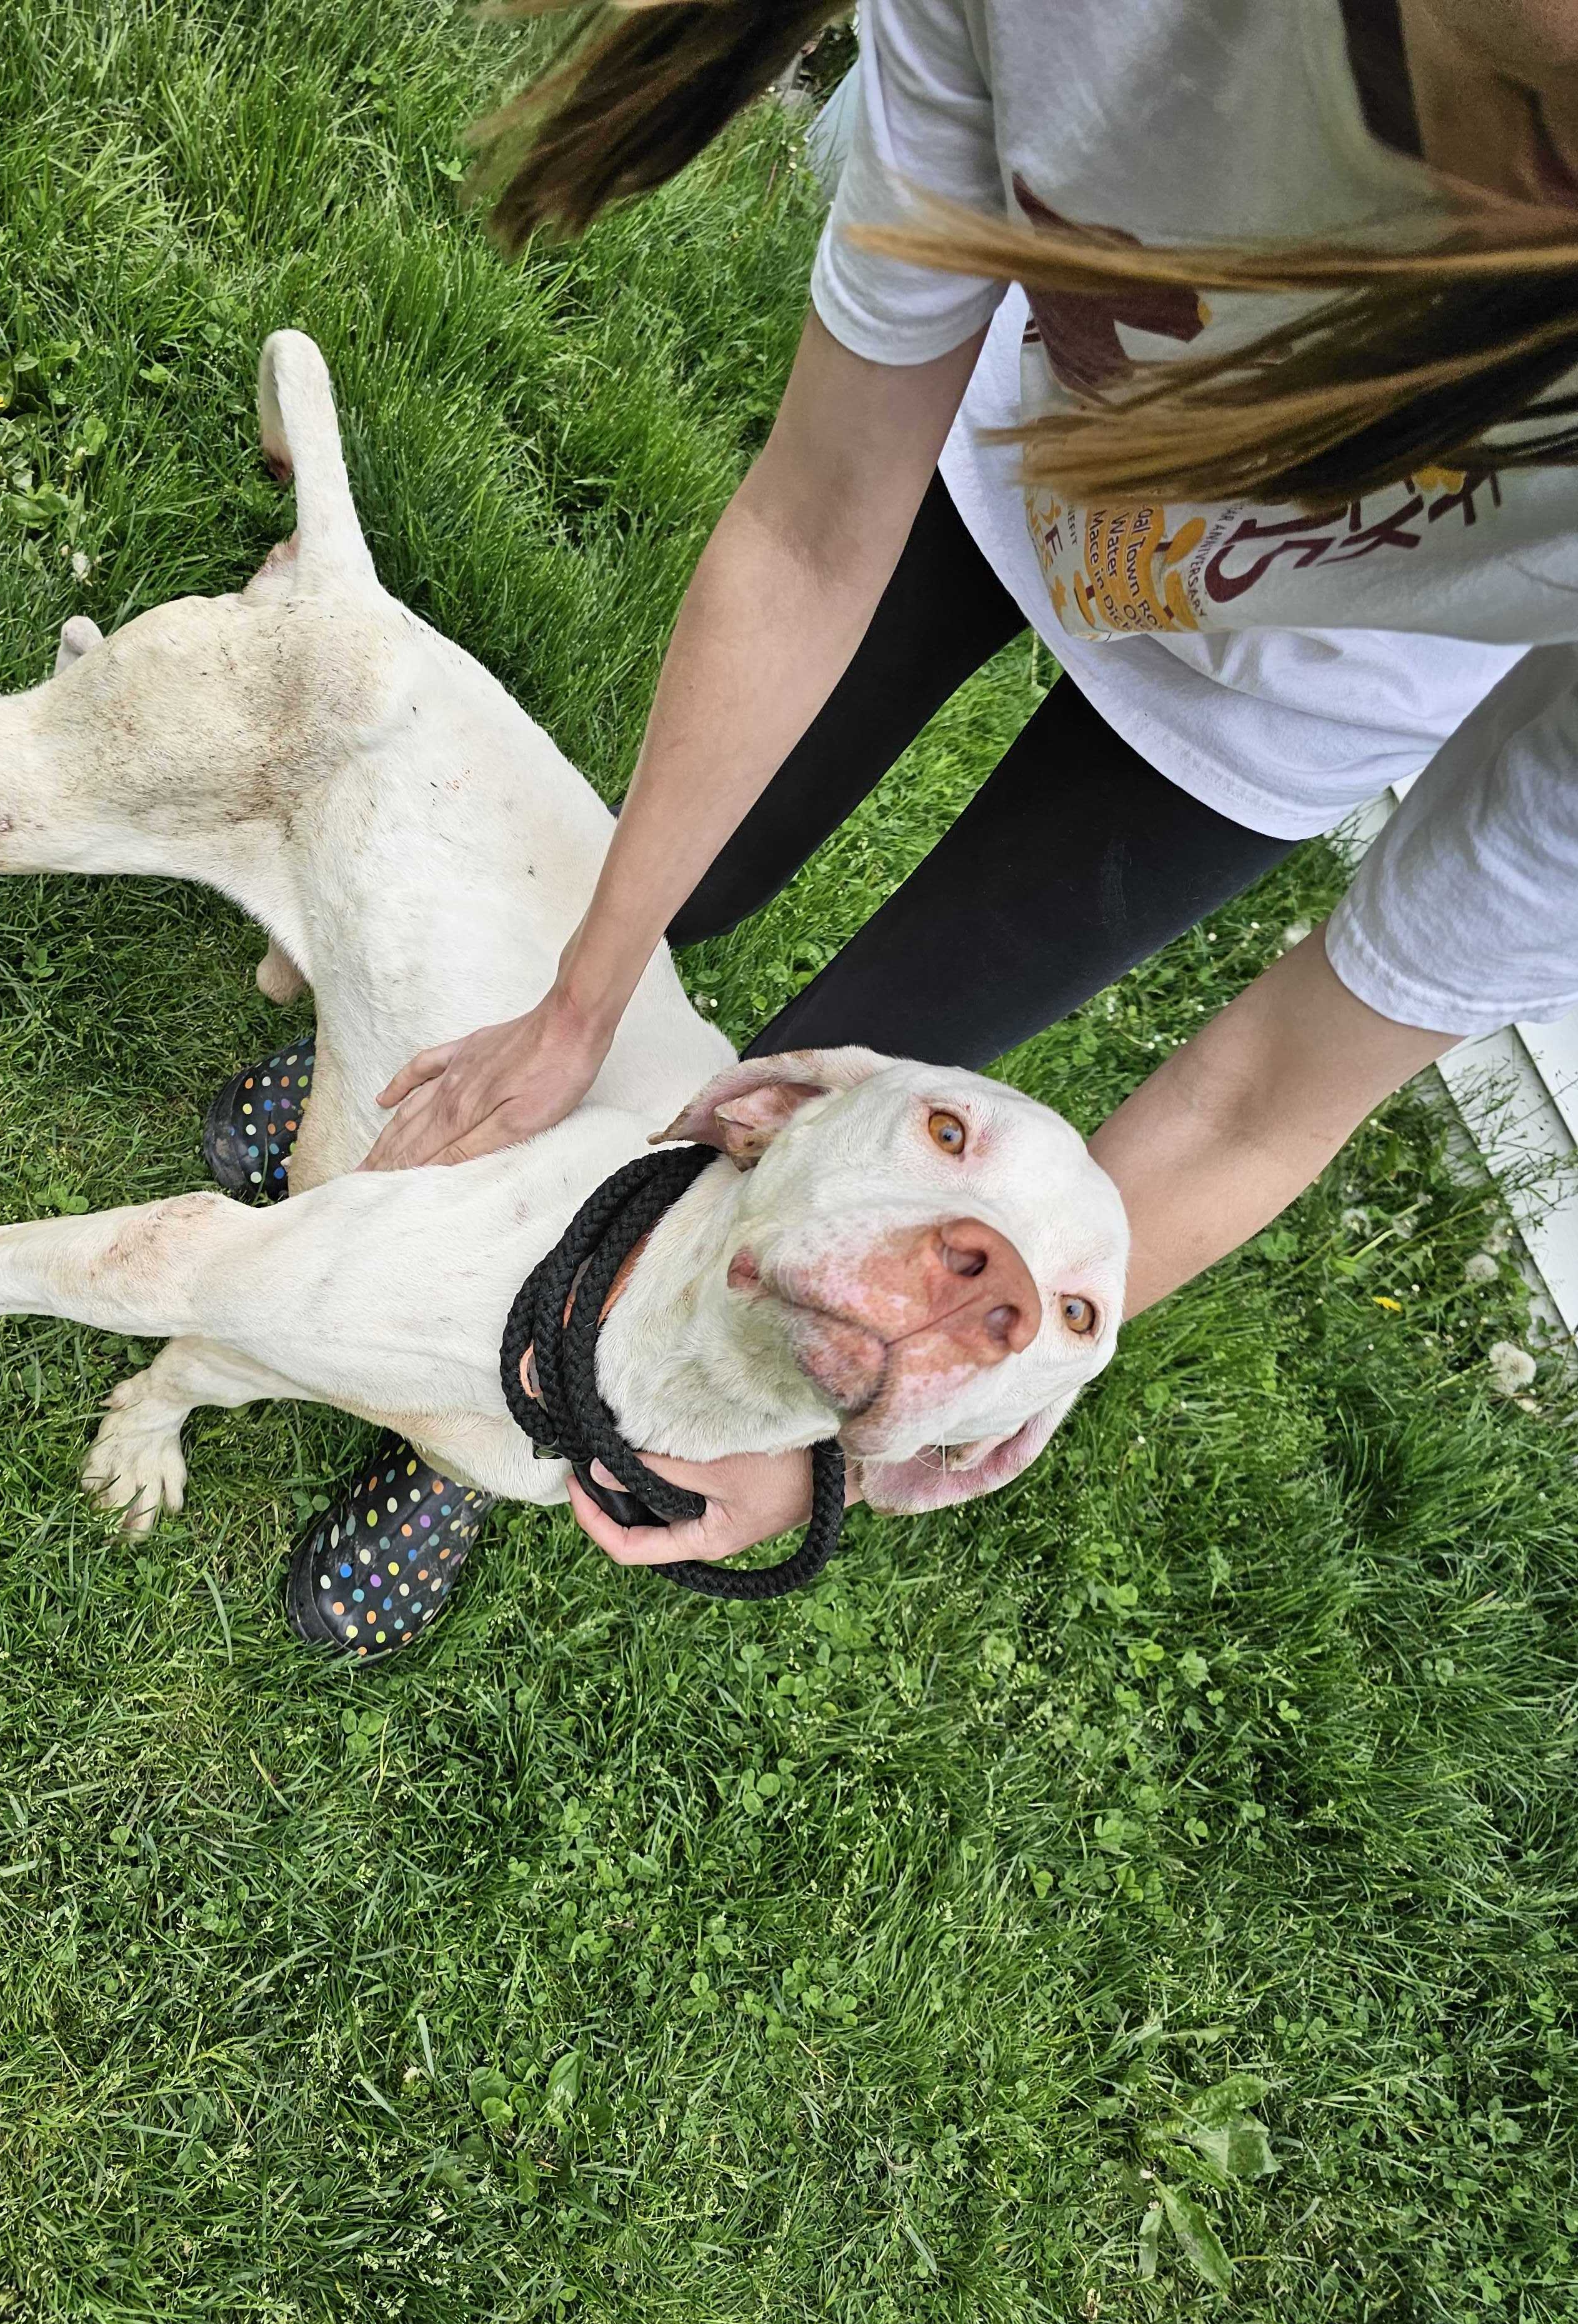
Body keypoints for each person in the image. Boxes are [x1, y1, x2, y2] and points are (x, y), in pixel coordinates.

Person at [213, 0, 1578, 1652]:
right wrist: (576, 1002)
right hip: (991, 464)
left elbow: (1260, 1101)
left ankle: (516, 1382)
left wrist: (835, 1434)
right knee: (672, 872)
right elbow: (804, 541)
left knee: (873, 1084)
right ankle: (434, 1036)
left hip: (1260, 723)